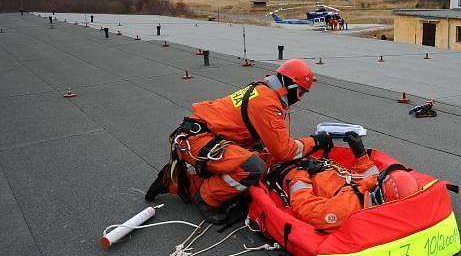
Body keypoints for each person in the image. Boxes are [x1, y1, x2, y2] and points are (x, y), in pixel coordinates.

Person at [145, 59, 333, 224]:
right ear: (291, 87)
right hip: (199, 140)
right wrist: (315, 141)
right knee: (253, 167)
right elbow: (284, 151)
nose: (299, 100)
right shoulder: (267, 103)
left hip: (201, 137)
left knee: (263, 157)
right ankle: (206, 198)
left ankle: (175, 182)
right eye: (300, 93)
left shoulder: (262, 90)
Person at [275, 132, 420, 230]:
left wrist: (302, 172)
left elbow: (304, 207)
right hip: (320, 168)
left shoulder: (343, 210)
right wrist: (361, 154)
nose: (378, 179)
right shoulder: (374, 194)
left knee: (275, 150)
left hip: (294, 172)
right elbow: (374, 179)